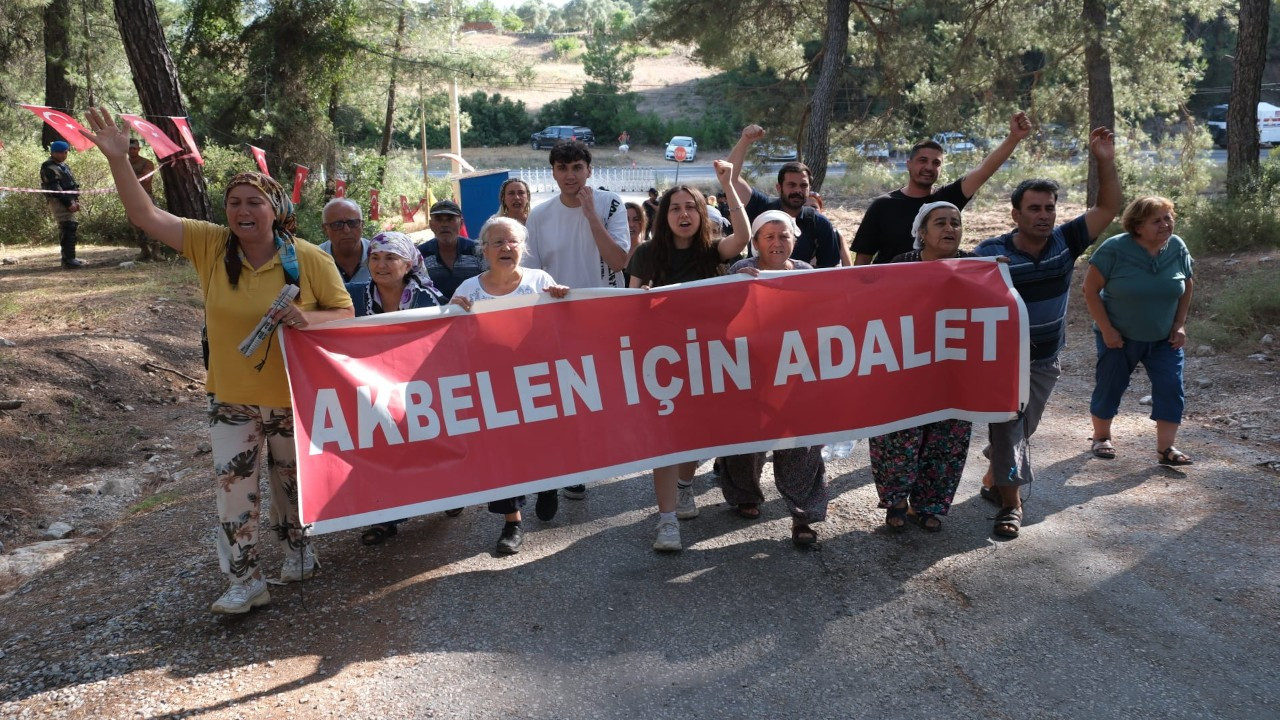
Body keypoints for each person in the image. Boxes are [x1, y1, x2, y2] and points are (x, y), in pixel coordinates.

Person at [80, 107, 355, 614]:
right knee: (234, 493)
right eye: (233, 203)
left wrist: (304, 320)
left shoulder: (308, 257)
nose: (242, 210)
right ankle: (245, 580)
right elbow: (146, 216)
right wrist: (119, 160)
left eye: (253, 202)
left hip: (293, 400)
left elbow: (344, 314)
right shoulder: (210, 246)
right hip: (231, 400)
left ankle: (298, 549)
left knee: (292, 488)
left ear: (275, 208)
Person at [972, 127, 1122, 540]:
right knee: (1009, 430)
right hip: (1003, 365)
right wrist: (988, 275)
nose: (1043, 215)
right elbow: (949, 283)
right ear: (1015, 214)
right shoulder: (989, 253)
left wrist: (1104, 160)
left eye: (1049, 208)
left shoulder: (1065, 242)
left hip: (1044, 361)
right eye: (1034, 208)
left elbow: (1109, 205)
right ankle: (1010, 505)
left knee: (1021, 430)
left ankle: (996, 475)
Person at [627, 160, 750, 552]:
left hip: (705, 360)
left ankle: (684, 486)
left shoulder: (715, 251)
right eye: (676, 208)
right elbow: (626, 308)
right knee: (666, 440)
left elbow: (743, 238)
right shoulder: (647, 254)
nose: (684, 214)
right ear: (665, 216)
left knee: (695, 435)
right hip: (660, 361)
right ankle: (666, 522)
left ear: (701, 212)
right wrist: (641, 303)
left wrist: (728, 183)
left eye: (691, 207)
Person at [450, 217, 570, 555]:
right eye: (498, 242)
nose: (506, 248)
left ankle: (548, 485)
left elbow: (563, 331)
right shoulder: (467, 291)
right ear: (484, 250)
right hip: (491, 387)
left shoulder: (540, 281)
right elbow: (452, 342)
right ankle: (512, 522)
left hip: (537, 382)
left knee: (541, 443)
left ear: (523, 248)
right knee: (499, 452)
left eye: (513, 241)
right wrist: (451, 313)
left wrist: (561, 301)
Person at [524, 140, 629, 500]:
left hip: (603, 317)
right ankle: (569, 467)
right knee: (564, 396)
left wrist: (590, 216)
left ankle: (585, 456)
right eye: (562, 168)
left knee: (598, 396)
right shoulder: (539, 215)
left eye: (577, 168)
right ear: (553, 172)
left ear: (589, 170)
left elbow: (618, 261)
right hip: (558, 318)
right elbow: (531, 274)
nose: (570, 176)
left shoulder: (610, 202)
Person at [721, 209, 829, 546]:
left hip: (796, 374)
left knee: (801, 446)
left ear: (795, 240)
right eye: (769, 236)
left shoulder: (806, 273)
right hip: (751, 374)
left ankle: (803, 516)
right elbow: (719, 317)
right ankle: (745, 494)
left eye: (784, 236)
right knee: (745, 443)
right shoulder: (741, 270)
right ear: (755, 242)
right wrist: (734, 288)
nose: (777, 242)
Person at [871, 202, 976, 533]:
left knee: (946, 441)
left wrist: (998, 276)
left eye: (955, 223)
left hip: (953, 375)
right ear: (922, 233)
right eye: (940, 223)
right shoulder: (901, 265)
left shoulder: (976, 267)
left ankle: (927, 505)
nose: (949, 229)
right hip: (906, 371)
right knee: (898, 440)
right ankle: (897, 501)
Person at [345, 231, 450, 545]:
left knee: (427, 447)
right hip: (372, 389)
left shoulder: (429, 299)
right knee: (379, 451)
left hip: (419, 388)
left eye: (391, 257)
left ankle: (447, 494)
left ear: (408, 264)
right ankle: (384, 518)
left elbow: (445, 341)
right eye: (375, 258)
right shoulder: (352, 295)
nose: (381, 265)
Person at [1082, 196, 1194, 466]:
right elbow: (1090, 290)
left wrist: (1180, 324)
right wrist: (1107, 329)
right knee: (1111, 384)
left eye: (1168, 218)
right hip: (1119, 336)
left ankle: (1166, 449)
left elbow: (1187, 286)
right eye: (1157, 220)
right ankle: (1101, 437)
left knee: (1171, 387)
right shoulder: (1114, 249)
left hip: (1163, 338)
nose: (1165, 224)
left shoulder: (1177, 247)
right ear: (1137, 226)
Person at [852, 112, 1032, 265]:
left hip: (939, 294)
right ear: (909, 164)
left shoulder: (947, 199)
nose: (929, 167)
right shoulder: (883, 206)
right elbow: (862, 259)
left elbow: (984, 170)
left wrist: (1013, 137)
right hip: (893, 293)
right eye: (923, 160)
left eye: (936, 163)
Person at [725, 126, 842, 268]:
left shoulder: (819, 223)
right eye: (791, 185)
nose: (798, 190)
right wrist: (745, 140)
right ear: (779, 188)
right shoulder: (761, 207)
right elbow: (729, 178)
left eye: (803, 186)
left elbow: (830, 270)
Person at [417, 199, 484, 300]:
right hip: (435, 314)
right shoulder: (420, 254)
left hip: (473, 312)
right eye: (439, 219)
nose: (444, 224)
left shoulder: (478, 251)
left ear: (461, 223)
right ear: (431, 225)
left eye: (450, 219)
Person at [40, 140, 83, 269]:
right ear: (54, 153)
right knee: (67, 227)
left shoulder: (63, 166)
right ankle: (68, 260)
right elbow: (56, 188)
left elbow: (70, 184)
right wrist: (69, 203)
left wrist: (75, 200)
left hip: (69, 199)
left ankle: (71, 257)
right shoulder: (49, 168)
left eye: (66, 152)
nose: (64, 155)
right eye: (61, 153)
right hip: (59, 201)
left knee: (71, 227)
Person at [127, 138, 167, 262]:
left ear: (138, 149)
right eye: (129, 148)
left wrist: (128, 177)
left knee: (152, 223)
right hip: (130, 198)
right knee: (135, 224)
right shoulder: (125, 163)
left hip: (146, 197)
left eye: (134, 148)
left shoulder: (146, 162)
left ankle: (157, 252)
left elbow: (145, 179)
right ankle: (144, 251)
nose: (131, 150)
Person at [318, 198, 371, 284]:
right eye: (337, 225)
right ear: (325, 229)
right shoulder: (314, 259)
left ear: (362, 225)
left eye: (353, 223)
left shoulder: (380, 256)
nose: (346, 230)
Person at [805, 190, 852, 266]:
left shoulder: (836, 234)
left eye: (814, 207)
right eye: (804, 207)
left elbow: (848, 266)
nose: (810, 210)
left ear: (821, 210)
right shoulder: (790, 234)